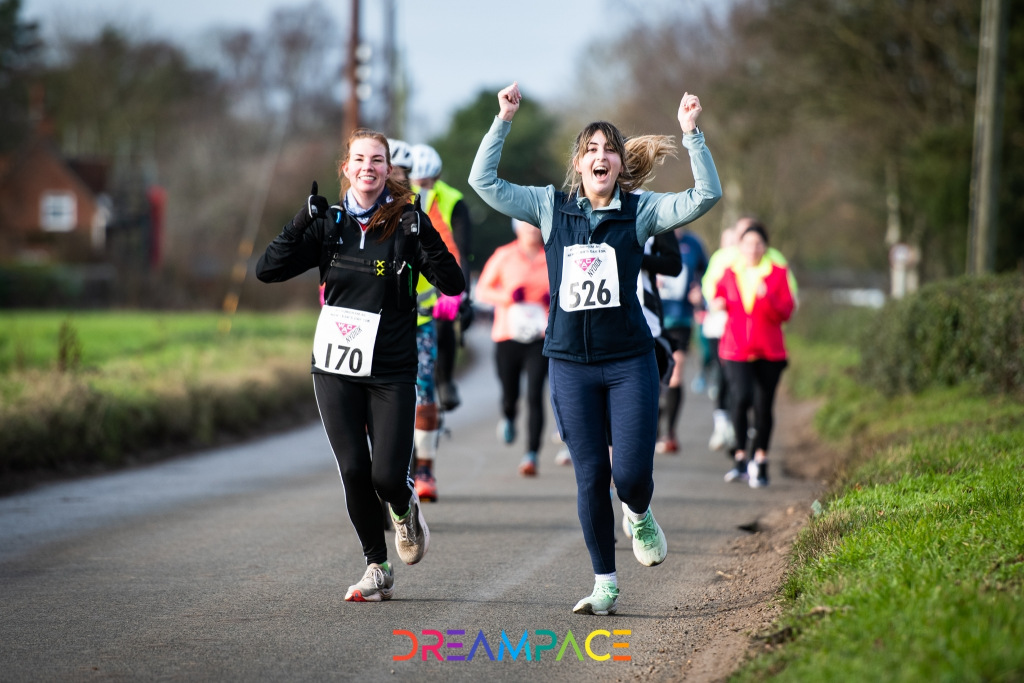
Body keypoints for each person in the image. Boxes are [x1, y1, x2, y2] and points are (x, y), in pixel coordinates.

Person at [469, 82, 721, 615]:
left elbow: (705, 197)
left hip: (630, 359)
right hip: (569, 364)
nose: (600, 156)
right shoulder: (549, 208)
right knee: (591, 475)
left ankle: (641, 513)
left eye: (609, 148)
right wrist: (504, 120)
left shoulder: (643, 211)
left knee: (630, 475)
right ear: (578, 164)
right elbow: (482, 181)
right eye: (591, 149)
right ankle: (605, 581)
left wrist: (692, 134)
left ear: (620, 165)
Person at [255, 129, 465, 602]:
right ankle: (376, 565)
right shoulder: (329, 225)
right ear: (346, 168)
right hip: (335, 365)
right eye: (360, 159)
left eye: (378, 160)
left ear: (389, 170)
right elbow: (267, 269)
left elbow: (451, 283)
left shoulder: (406, 221)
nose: (368, 166)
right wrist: (298, 222)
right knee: (353, 469)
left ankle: (404, 505)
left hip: (390, 366)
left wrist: (424, 233)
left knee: (386, 475)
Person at [707, 220, 796, 488]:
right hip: (735, 349)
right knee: (740, 398)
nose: (752, 248)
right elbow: (716, 298)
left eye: (758, 243)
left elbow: (786, 311)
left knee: (762, 406)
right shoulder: (730, 272)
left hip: (769, 351)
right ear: (740, 246)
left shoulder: (777, 273)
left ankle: (761, 460)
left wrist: (766, 297)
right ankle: (740, 458)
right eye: (747, 243)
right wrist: (717, 303)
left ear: (765, 247)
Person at [388, 139, 448, 503]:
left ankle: (424, 468)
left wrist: (452, 295)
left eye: (401, 172)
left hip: (420, 318)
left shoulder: (422, 206)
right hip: (372, 324)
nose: (395, 177)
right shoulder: (358, 208)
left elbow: (447, 249)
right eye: (390, 170)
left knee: (422, 391)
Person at [475, 218, 550, 476]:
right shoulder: (504, 255)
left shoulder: (552, 255)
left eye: (535, 225)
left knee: (535, 395)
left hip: (540, 336)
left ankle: (531, 454)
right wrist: (508, 297)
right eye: (526, 225)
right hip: (508, 335)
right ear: (516, 228)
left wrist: (551, 299)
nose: (531, 230)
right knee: (511, 395)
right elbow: (483, 290)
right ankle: (508, 416)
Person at [410, 144, 474, 414]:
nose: (423, 187)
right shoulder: (392, 195)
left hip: (439, 275)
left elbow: (461, 250)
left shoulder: (452, 200)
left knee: (444, 321)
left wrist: (462, 295)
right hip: (404, 275)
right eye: (418, 182)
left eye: (429, 182)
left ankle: (446, 380)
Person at [654, 228, 709, 454]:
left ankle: (670, 432)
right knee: (653, 376)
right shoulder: (650, 238)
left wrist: (699, 293)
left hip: (680, 320)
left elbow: (705, 274)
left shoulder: (694, 243)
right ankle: (653, 429)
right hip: (653, 318)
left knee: (675, 374)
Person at [701, 221, 741, 452]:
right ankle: (722, 425)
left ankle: (735, 425)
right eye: (728, 241)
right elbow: (709, 287)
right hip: (718, 328)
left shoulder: (745, 261)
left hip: (737, 331)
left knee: (733, 377)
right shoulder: (718, 258)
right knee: (723, 375)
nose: (731, 246)